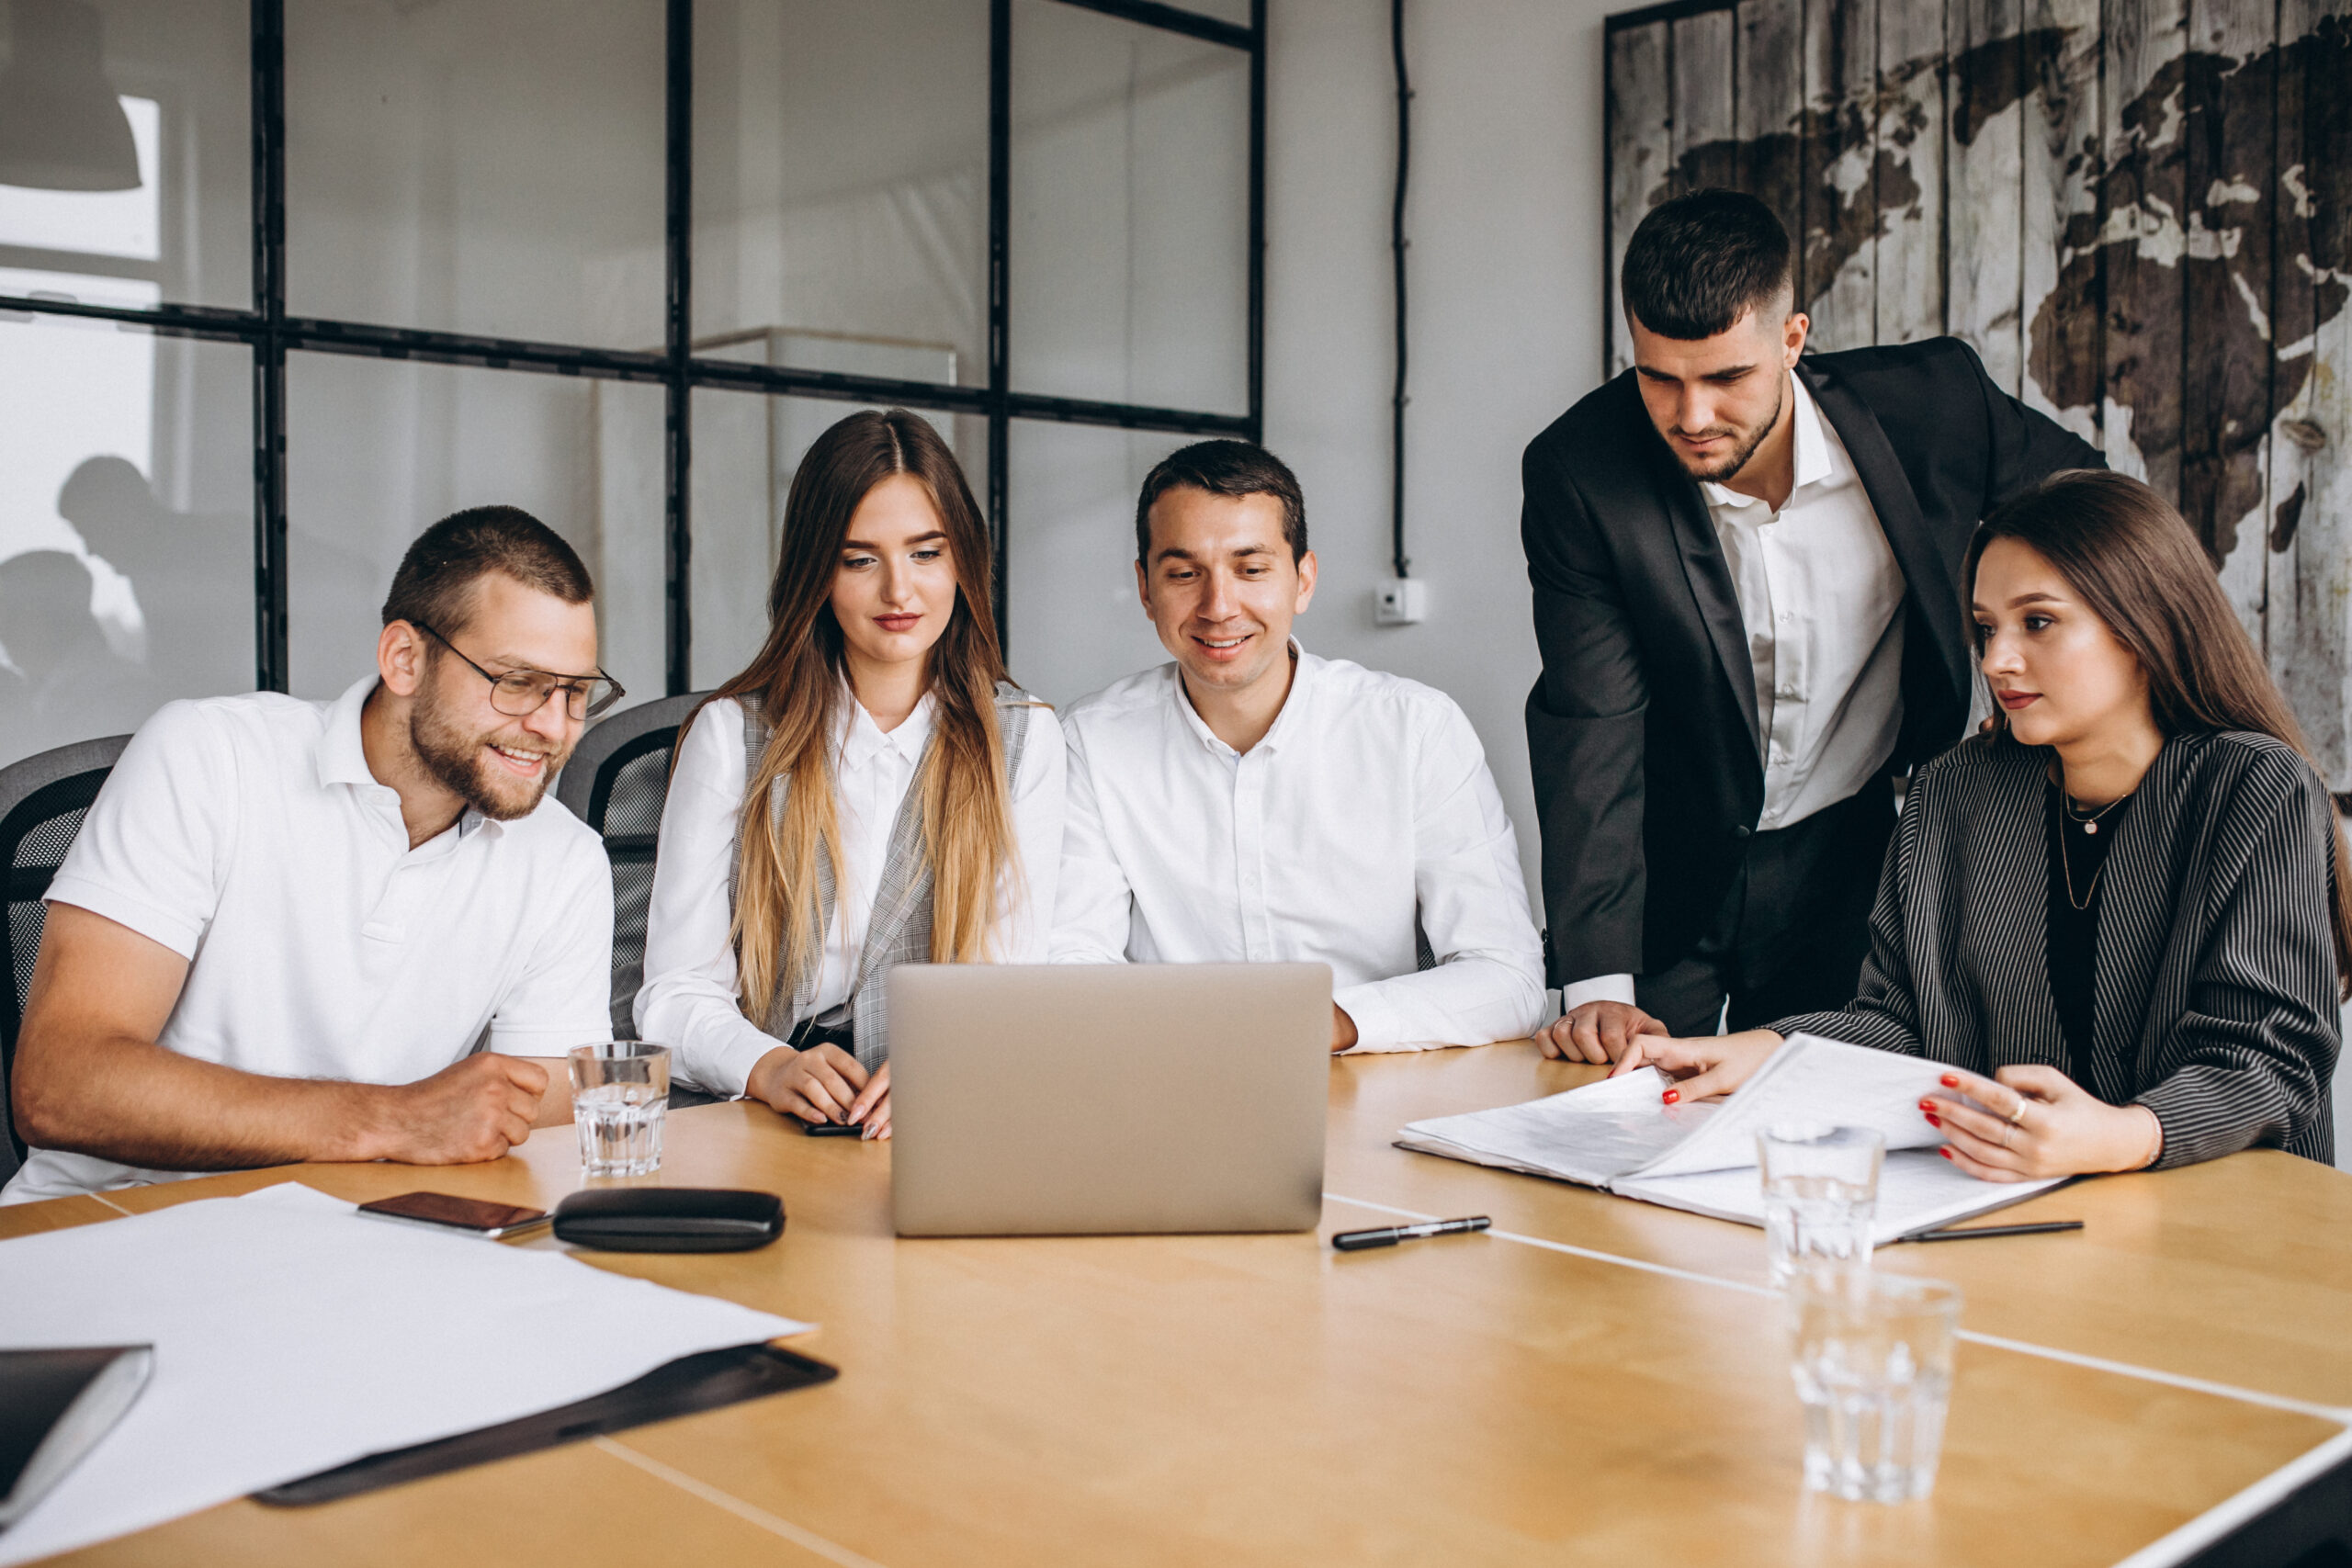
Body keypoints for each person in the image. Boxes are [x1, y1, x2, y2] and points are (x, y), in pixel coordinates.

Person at [1611, 471, 2344, 1176]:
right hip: (2018, 1218)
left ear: (2142, 626)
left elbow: (2269, 1060)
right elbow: (1903, 1023)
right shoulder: (1953, 792)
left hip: (2227, 1230)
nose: (1997, 658)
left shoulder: (2255, 787)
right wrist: (1764, 1050)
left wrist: (2122, 1134)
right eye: (1987, 627)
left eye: (2039, 622)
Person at [1521, 188, 2103, 1064]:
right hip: (1662, 871)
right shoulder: (1582, 471)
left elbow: (2094, 510)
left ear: (1792, 339)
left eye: (1726, 377)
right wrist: (1598, 981)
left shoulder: (1936, 406)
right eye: (1659, 377)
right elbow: (1589, 718)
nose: (1692, 416)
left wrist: (2020, 668)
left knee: (1830, 1121)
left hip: (1848, 860)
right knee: (1616, 1128)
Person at [5, 507, 620, 1203]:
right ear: (404, 659)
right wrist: (393, 1120)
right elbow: (60, 1085)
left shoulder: (565, 857)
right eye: (517, 682)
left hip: (362, 1233)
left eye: (575, 692)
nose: (550, 726)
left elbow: (531, 1121)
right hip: (115, 1220)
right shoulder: (208, 756)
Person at [636, 410, 1065, 1139]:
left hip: (942, 1111)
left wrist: (948, 1059)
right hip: (764, 1111)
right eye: (860, 559)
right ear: (817, 574)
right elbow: (672, 992)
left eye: (927, 553)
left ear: (963, 560)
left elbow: (1012, 975)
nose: (900, 590)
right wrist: (765, 1066)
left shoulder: (1023, 736)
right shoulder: (734, 738)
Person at [1053, 440, 1545, 1053]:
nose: (1218, 606)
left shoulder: (1415, 729)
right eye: (1184, 573)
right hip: (1169, 1082)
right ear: (1146, 588)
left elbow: (1508, 976)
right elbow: (1070, 961)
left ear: (1302, 580)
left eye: (1251, 569)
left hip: (1378, 1086)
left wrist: (1327, 1021)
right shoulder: (1088, 741)